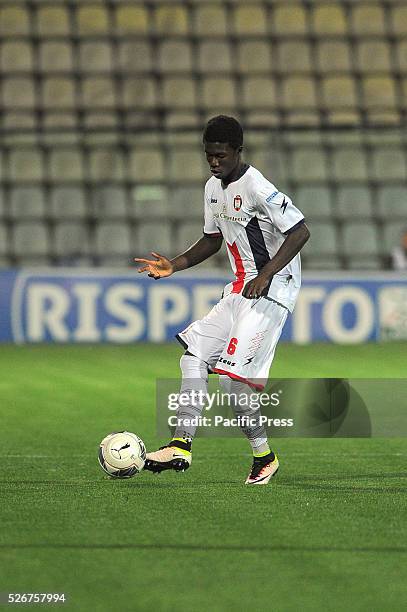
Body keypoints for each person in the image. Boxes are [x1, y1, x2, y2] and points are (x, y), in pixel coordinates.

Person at [135, 115, 310, 485]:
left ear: (237, 150)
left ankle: (265, 457)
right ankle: (180, 445)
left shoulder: (258, 186)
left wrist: (266, 275)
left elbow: (299, 231)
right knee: (193, 356)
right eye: (208, 155)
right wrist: (175, 265)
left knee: (232, 382)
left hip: (272, 290)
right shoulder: (212, 188)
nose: (214, 162)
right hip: (240, 287)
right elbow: (212, 239)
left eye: (220, 155)